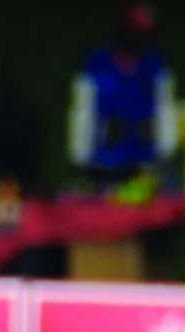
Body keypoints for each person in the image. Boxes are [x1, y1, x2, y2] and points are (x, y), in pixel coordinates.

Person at [67, 2, 178, 191]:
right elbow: (82, 109)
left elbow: (166, 108)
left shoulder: (155, 63)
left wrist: (166, 149)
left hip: (145, 160)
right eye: (134, 32)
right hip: (105, 163)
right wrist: (80, 155)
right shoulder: (96, 63)